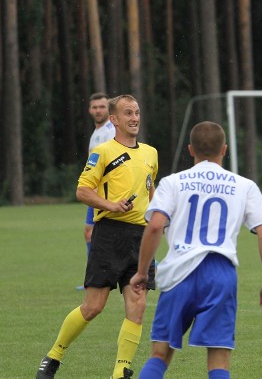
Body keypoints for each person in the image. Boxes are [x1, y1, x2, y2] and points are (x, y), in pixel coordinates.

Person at [130, 121, 262, 379]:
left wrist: (142, 272)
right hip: (220, 273)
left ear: (190, 149)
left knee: (160, 354)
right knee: (219, 358)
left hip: (178, 272)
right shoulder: (244, 185)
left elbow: (155, 227)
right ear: (224, 149)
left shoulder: (172, 182)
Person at [36, 95, 158, 379]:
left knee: (137, 304)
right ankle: (54, 356)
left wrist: (158, 217)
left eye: (137, 112)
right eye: (128, 113)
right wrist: (112, 205)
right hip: (109, 235)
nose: (134, 118)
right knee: (93, 307)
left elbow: (151, 191)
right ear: (114, 119)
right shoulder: (103, 152)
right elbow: (82, 191)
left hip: (141, 239)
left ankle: (121, 371)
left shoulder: (151, 153)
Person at [82, 93, 116, 256]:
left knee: (102, 236)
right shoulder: (98, 132)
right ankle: (93, 279)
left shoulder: (109, 132)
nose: (98, 110)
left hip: (105, 192)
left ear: (109, 109)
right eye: (95, 107)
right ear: (89, 110)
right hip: (96, 190)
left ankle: (154, 268)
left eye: (102, 107)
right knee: (90, 233)